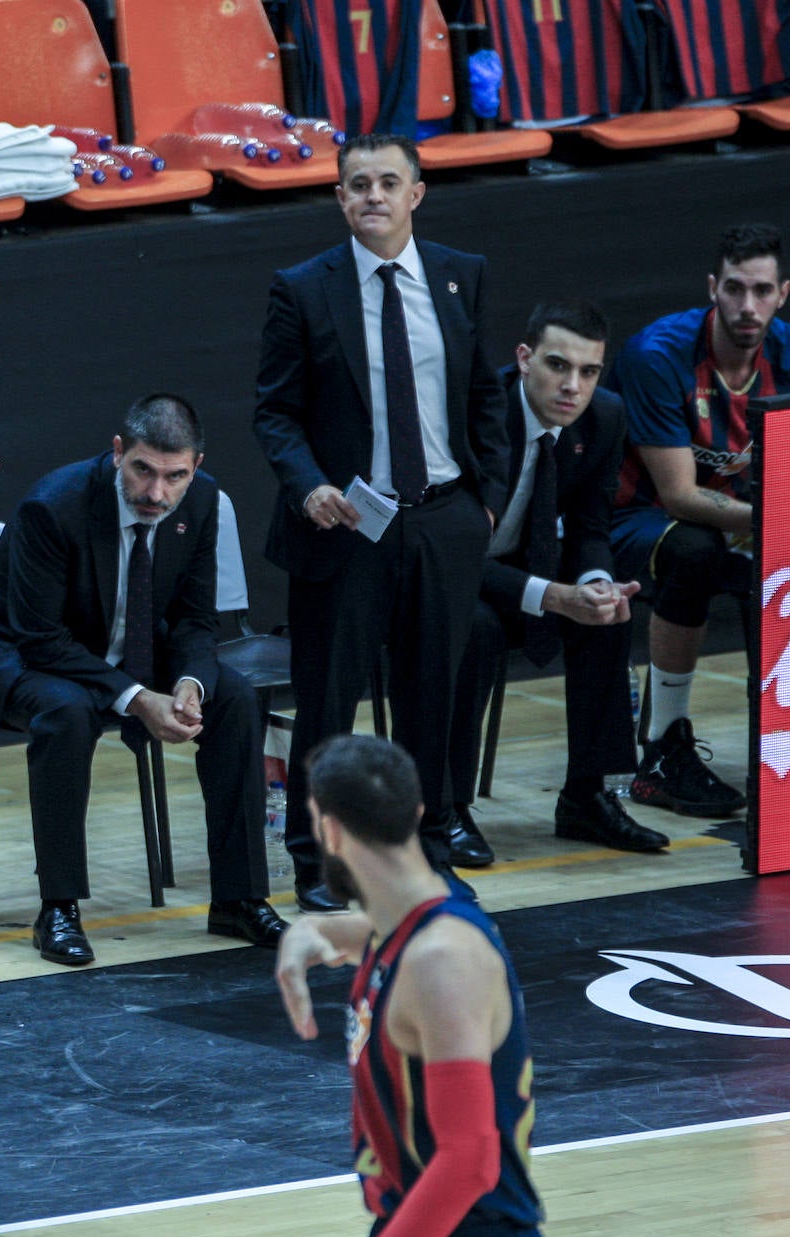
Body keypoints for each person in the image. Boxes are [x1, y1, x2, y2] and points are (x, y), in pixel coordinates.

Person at [254, 132, 509, 911]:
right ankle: (317, 860)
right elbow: (275, 412)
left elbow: (484, 399)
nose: (372, 195)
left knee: (433, 695)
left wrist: (483, 502)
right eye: (357, 183)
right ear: (339, 198)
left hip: (440, 519)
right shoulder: (301, 289)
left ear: (415, 193)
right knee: (329, 700)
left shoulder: (462, 278)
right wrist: (309, 487)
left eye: (387, 182)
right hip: (346, 525)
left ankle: (425, 853)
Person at [0, 394, 287, 966]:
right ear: (118, 453)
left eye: (174, 476)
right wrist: (135, 698)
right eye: (143, 470)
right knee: (67, 711)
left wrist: (189, 684)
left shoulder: (201, 503)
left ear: (196, 467)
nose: (157, 493)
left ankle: (240, 897)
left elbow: (197, 619)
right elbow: (38, 636)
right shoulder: (54, 506)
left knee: (233, 697)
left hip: (123, 648)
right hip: (17, 655)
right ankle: (58, 907)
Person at [275, 734, 557, 1237]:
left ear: (328, 831)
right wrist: (303, 934)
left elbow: (470, 1161)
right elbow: (369, 934)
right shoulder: (413, 920)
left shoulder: (441, 964)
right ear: (417, 814)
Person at [444, 300, 668, 866]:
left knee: (606, 615)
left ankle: (587, 797)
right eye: (557, 365)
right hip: (448, 574)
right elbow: (455, 550)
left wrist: (594, 583)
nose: (573, 386)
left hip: (527, 565)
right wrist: (552, 596)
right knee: (478, 630)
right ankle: (446, 809)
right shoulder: (475, 415)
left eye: (588, 372)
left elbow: (593, 524)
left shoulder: (605, 417)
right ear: (523, 359)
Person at [611, 222, 790, 817]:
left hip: (738, 518)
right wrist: (778, 521)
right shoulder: (658, 355)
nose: (749, 306)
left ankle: (784, 748)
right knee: (695, 550)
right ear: (712, 288)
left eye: (762, 291)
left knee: (781, 566)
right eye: (736, 289)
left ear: (783, 293)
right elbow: (678, 496)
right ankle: (663, 752)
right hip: (627, 518)